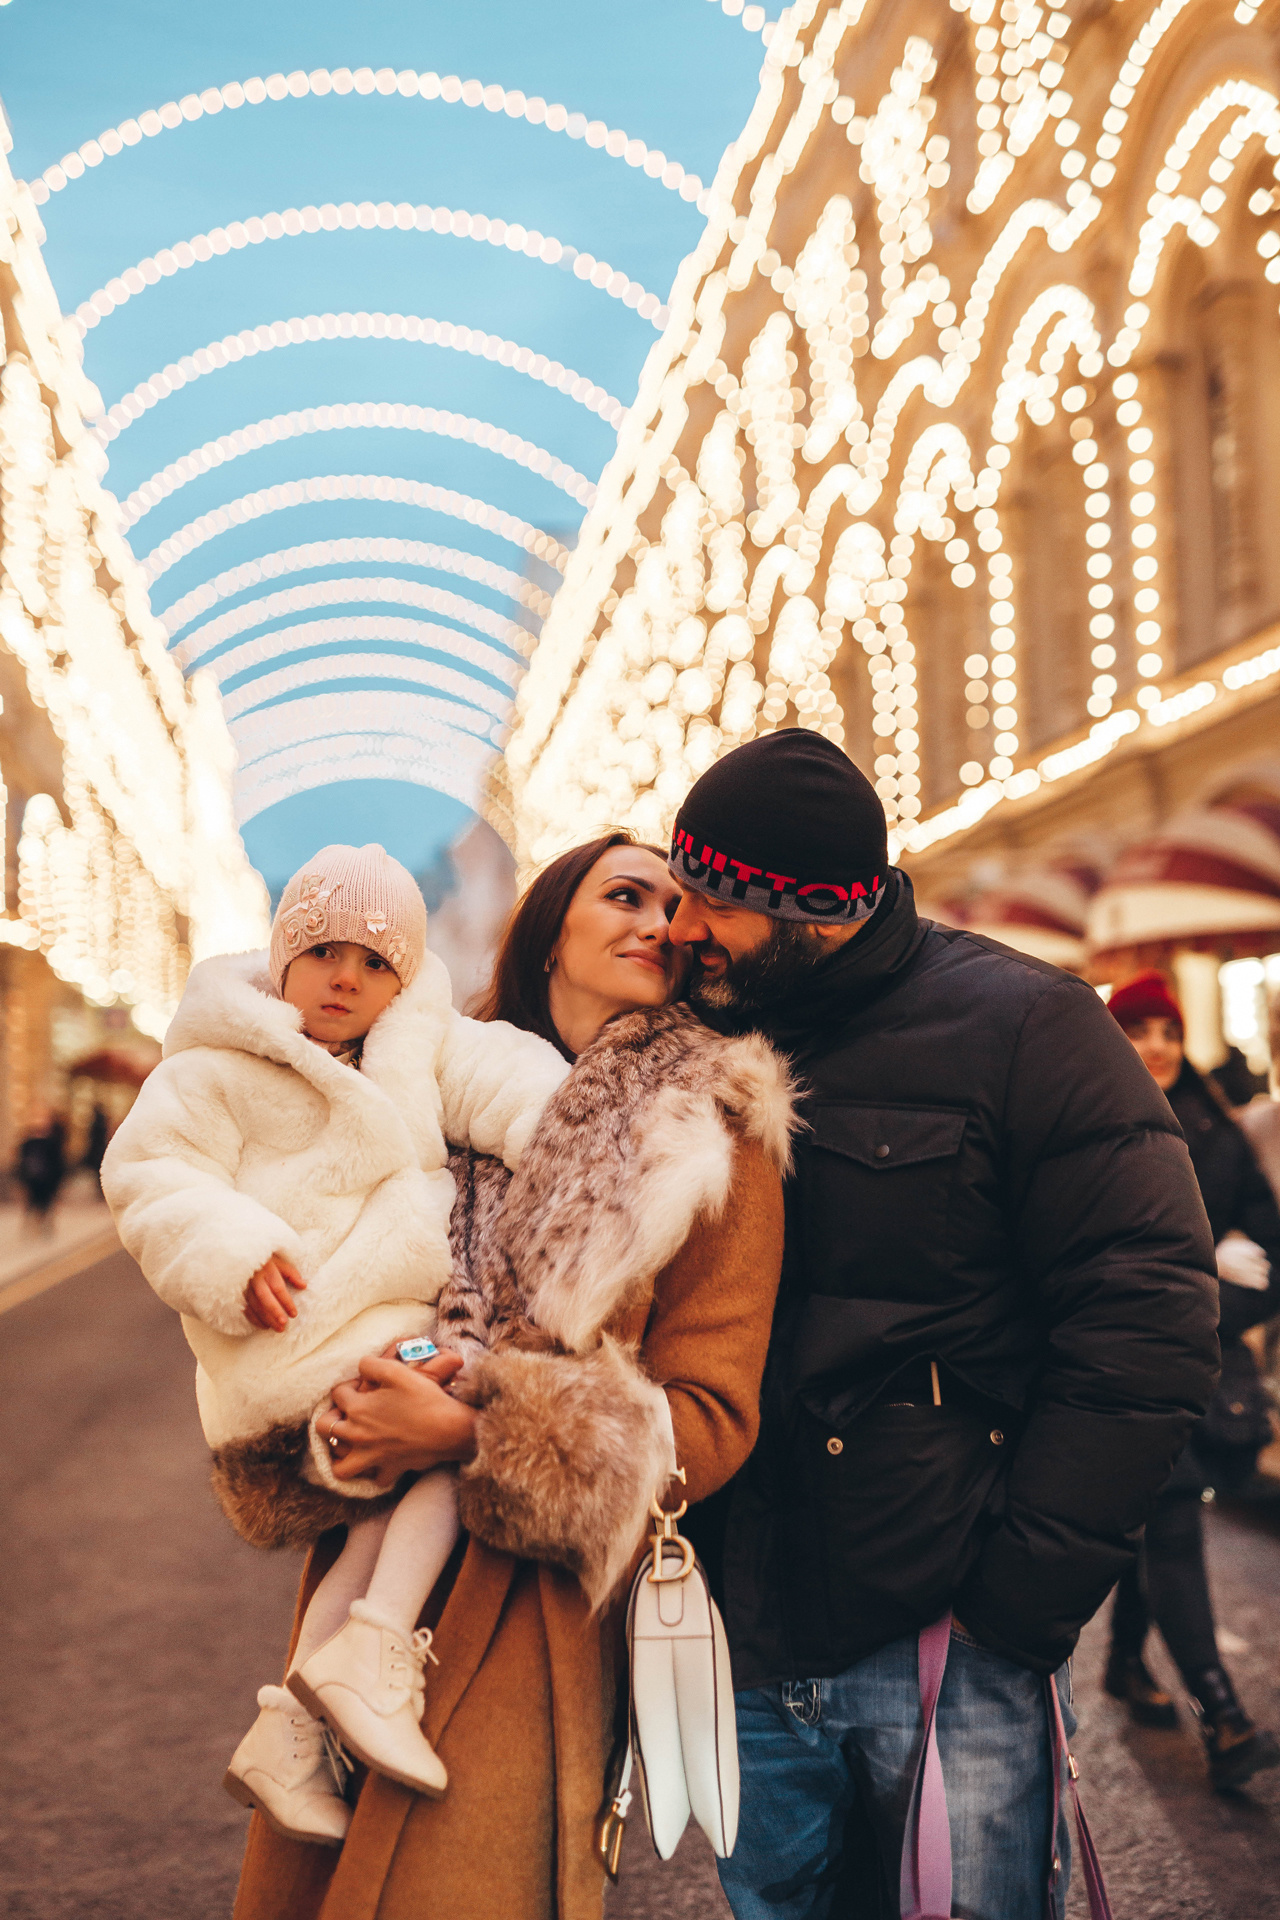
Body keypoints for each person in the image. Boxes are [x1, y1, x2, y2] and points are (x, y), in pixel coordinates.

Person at [662, 731, 1219, 1920]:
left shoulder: (1026, 1027)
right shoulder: (687, 1037)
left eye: (716, 897)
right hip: (740, 1641)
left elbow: (1146, 1314)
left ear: (811, 907)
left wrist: (1016, 1604)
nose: (684, 924)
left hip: (940, 1637)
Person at [231, 830, 792, 1920]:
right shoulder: (421, 1086)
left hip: (529, 1610)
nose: (657, 925)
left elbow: (710, 1422)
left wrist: (471, 1433)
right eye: (624, 895)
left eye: (674, 910)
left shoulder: (708, 1124)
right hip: (358, 1584)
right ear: (547, 929)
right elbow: (311, 1285)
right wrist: (339, 1403)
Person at [102, 843, 569, 1845]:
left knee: (391, 1480)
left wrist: (566, 1141)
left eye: (374, 959)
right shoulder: (218, 1063)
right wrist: (229, 1249)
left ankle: (288, 1726)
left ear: (402, 979)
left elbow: (507, 1080)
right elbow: (152, 1175)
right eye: (321, 950)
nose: (345, 975)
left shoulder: (418, 1043)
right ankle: (375, 1645)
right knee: (450, 1426)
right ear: (280, 958)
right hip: (283, 1332)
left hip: (371, 1335)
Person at [1104, 969, 1280, 1791]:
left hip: (1206, 1365)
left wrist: (1222, 1285)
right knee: (1170, 1523)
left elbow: (1271, 1249)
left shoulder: (1217, 1124)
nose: (1158, 1046)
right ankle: (1224, 1715)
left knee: (1159, 1525)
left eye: (1168, 1030)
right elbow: (1098, 1250)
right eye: (1139, 1030)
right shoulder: (1095, 1118)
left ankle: (1123, 1662)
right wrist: (1204, 1257)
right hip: (1127, 1365)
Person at [16, 1103, 65, 1232]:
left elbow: (58, 1162)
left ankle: (44, 1225)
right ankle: (33, 1226)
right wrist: (21, 1178)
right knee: (32, 1203)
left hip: (47, 1179)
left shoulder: (52, 1141)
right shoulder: (27, 1142)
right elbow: (21, 1161)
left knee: (46, 1203)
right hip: (32, 1178)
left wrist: (57, 1181)